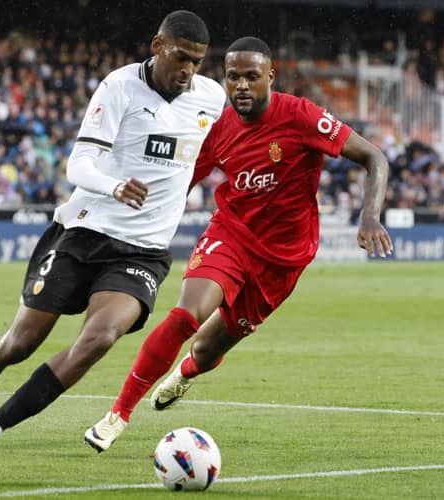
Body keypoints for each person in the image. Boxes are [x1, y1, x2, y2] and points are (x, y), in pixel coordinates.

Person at [0, 10, 226, 476]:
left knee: (100, 338)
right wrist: (114, 186)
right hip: (84, 233)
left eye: (197, 61)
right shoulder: (120, 88)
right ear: (157, 46)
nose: (188, 70)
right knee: (18, 343)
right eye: (181, 57)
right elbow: (79, 164)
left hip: (142, 251)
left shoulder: (211, 96)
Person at [84, 36, 393, 452]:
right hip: (230, 235)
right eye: (233, 77)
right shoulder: (220, 129)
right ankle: (117, 414)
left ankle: (186, 373)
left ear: (271, 75)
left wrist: (370, 214)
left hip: (284, 259)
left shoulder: (302, 117)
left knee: (206, 349)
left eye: (251, 76)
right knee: (185, 316)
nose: (241, 86)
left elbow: (375, 156)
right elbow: (180, 182)